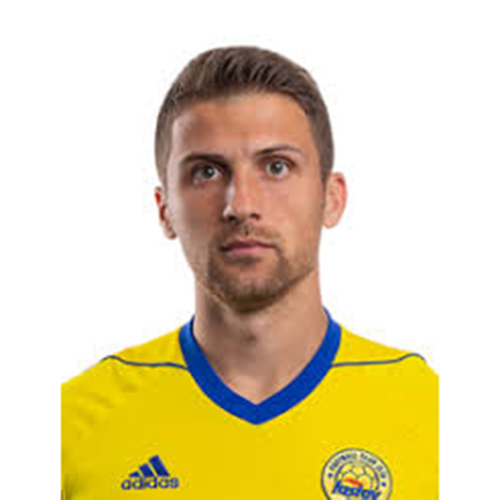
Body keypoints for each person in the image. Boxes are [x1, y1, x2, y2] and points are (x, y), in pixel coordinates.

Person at [61, 46, 438, 499]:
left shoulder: (434, 414)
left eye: (276, 167)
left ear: (332, 198)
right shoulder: (71, 427)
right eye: (206, 172)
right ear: (165, 210)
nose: (241, 204)